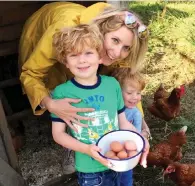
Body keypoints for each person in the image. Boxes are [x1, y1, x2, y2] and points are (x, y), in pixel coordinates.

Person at [18, 2, 149, 174]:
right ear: (102, 30)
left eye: (126, 48)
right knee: (60, 87)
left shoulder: (117, 50)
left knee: (86, 81)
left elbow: (126, 84)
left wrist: (141, 127)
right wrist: (50, 103)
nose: (117, 53)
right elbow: (31, 73)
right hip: (43, 26)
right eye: (115, 40)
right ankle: (72, 145)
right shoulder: (63, 29)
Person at [50, 24, 148, 186]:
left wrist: (139, 140)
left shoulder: (112, 84)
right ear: (65, 62)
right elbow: (58, 134)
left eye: (88, 53)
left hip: (121, 164)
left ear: (99, 56)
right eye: (73, 55)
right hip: (90, 169)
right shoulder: (62, 92)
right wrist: (86, 149)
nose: (82, 60)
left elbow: (122, 122)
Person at [112, 67, 151, 186]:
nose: (135, 97)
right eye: (129, 93)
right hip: (110, 151)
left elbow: (136, 135)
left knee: (126, 179)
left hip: (127, 155)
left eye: (138, 93)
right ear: (117, 92)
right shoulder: (111, 109)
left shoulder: (135, 113)